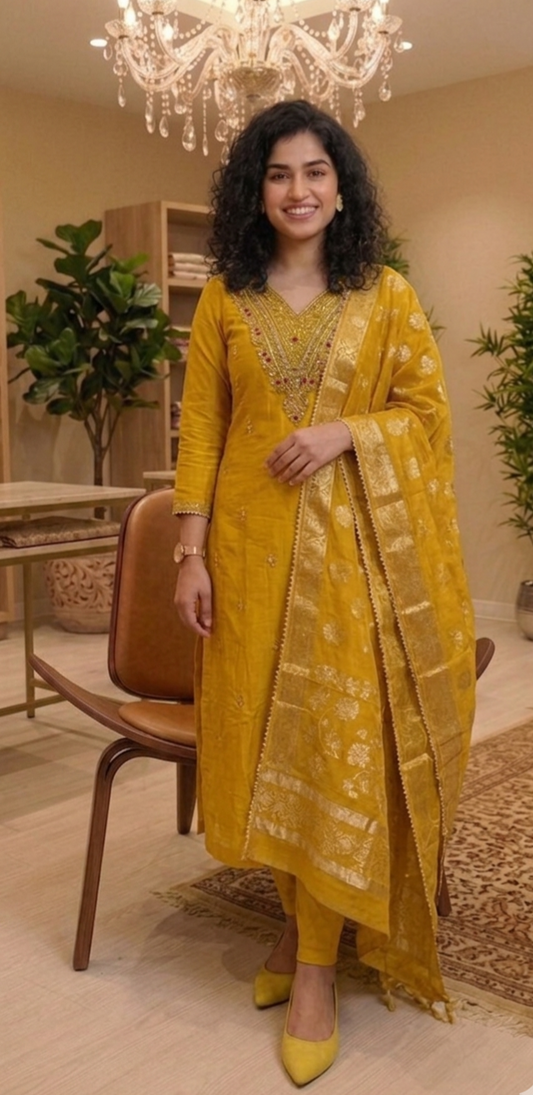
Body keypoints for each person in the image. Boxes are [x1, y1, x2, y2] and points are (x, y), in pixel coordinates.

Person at [173, 99, 475, 1086]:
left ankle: (311, 967)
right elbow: (201, 431)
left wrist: (347, 431)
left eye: (314, 171)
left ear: (341, 189)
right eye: (277, 174)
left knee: (326, 751)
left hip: (351, 565)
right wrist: (189, 552)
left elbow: (424, 416)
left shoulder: (383, 295)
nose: (297, 190)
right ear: (254, 192)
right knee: (261, 740)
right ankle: (299, 921)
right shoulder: (224, 298)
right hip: (247, 556)